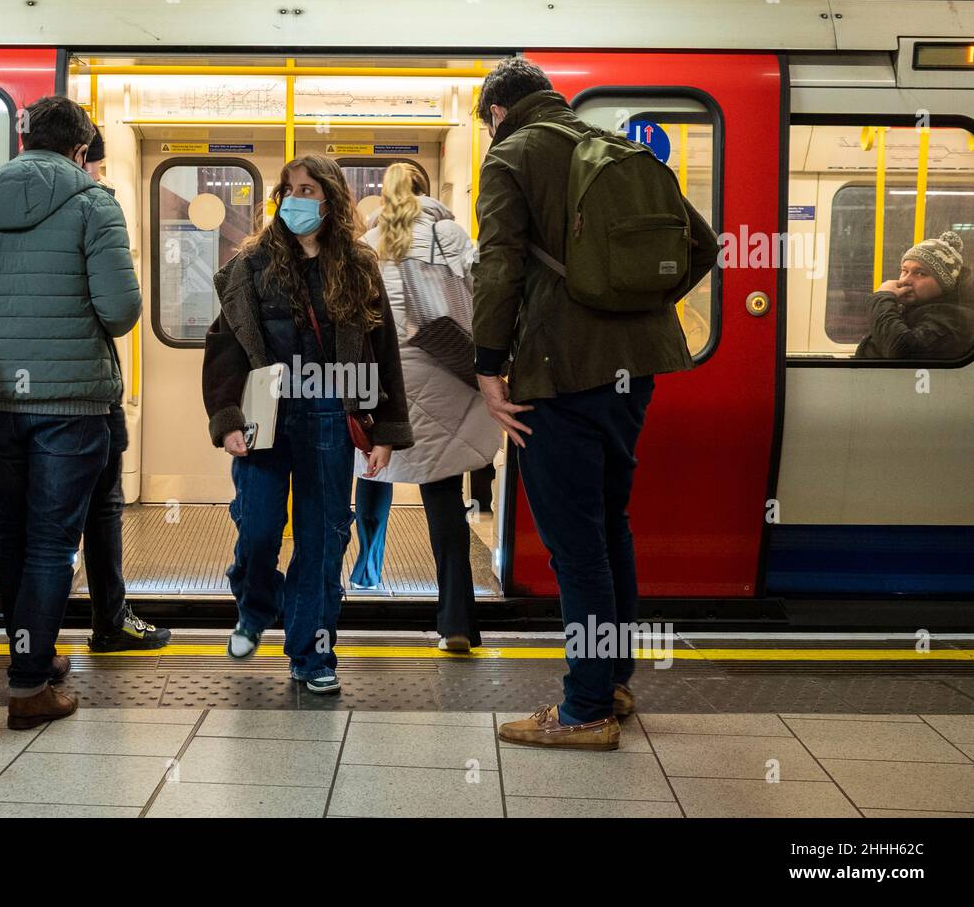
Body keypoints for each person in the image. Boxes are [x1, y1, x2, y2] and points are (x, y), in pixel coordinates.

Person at [472, 57, 718, 750]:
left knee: (576, 548)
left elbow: (500, 267)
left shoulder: (512, 156)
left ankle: (584, 710)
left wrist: (488, 366)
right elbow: (701, 244)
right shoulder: (621, 147)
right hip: (635, 372)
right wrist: (636, 303)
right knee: (610, 526)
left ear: (497, 112)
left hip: (560, 372)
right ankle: (611, 680)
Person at [0, 95, 140, 730]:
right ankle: (28, 685)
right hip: (71, 400)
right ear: (81, 151)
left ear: (25, 143)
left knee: (17, 532)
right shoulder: (92, 203)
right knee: (52, 543)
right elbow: (122, 312)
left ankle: (36, 659)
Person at [203, 153, 412, 695]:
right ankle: (254, 599)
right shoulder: (251, 267)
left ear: (331, 199)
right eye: (289, 189)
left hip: (329, 418)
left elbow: (383, 350)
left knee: (322, 541)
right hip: (266, 416)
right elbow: (225, 347)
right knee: (259, 530)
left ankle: (312, 653)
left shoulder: (359, 267)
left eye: (309, 190)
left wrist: (385, 430)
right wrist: (226, 420)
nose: (297, 199)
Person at [351, 162, 500, 651]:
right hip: (446, 378)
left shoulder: (366, 248)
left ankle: (340, 596)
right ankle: (456, 622)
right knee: (444, 504)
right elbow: (486, 295)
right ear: (426, 192)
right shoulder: (449, 234)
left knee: (366, 478)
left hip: (385, 385)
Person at [855, 230, 973, 359]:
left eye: (920, 273)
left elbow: (901, 351)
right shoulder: (917, 308)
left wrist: (882, 298)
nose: (905, 280)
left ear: (944, 283)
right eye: (905, 271)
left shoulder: (953, 318)